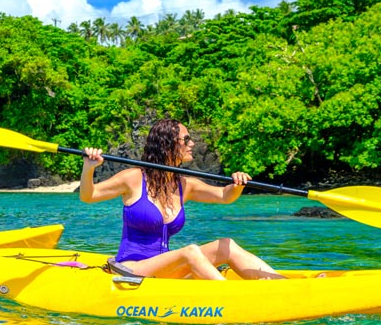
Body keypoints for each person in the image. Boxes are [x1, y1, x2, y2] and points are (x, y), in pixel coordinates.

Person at [78, 119, 284, 280]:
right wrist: (89, 168)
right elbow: (89, 195)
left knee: (226, 245)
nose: (192, 143)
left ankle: (283, 285)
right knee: (190, 252)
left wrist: (237, 183)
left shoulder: (185, 185)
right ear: (167, 145)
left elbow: (225, 195)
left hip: (166, 268)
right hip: (132, 268)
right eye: (186, 140)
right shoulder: (133, 178)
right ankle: (236, 297)